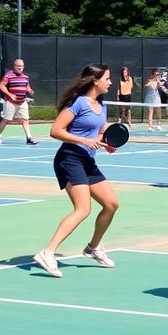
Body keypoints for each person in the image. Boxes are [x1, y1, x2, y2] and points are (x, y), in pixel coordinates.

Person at [32, 64, 120, 278]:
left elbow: (99, 132)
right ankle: (47, 252)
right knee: (83, 209)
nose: (110, 82)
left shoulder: (101, 104)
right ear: (94, 80)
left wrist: (106, 142)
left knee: (111, 204)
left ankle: (93, 247)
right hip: (69, 159)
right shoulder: (78, 103)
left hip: (87, 160)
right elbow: (55, 130)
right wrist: (84, 140)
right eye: (107, 78)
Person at [0, 58, 38, 145]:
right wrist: (10, 94)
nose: (20, 68)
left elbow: (27, 87)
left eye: (22, 66)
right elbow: (1, 85)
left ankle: (29, 138)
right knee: (6, 120)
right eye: (18, 66)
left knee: (25, 120)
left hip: (22, 102)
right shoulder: (8, 75)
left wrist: (30, 91)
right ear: (14, 66)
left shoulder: (25, 77)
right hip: (10, 102)